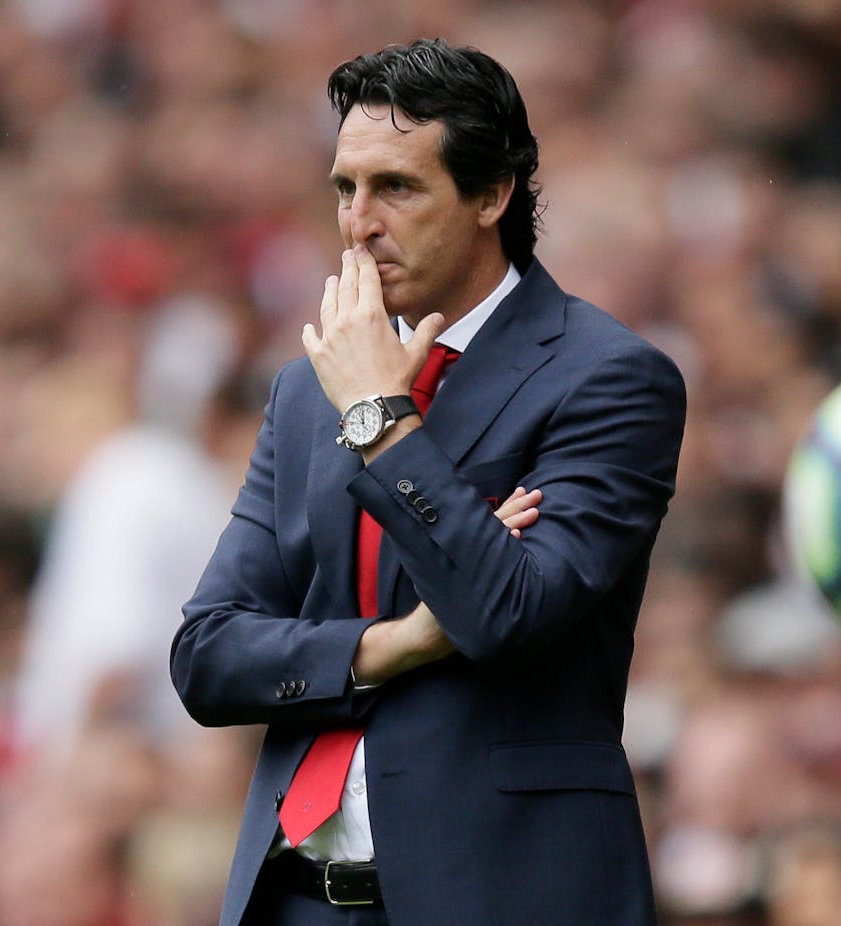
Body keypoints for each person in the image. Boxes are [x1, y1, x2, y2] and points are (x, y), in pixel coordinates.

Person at [170, 38, 687, 926]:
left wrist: (379, 416)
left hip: (505, 897)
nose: (358, 221)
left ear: (492, 195)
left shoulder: (607, 377)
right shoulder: (307, 386)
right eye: (345, 187)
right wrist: (394, 646)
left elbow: (505, 613)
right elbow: (208, 656)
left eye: (396, 188)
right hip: (297, 903)